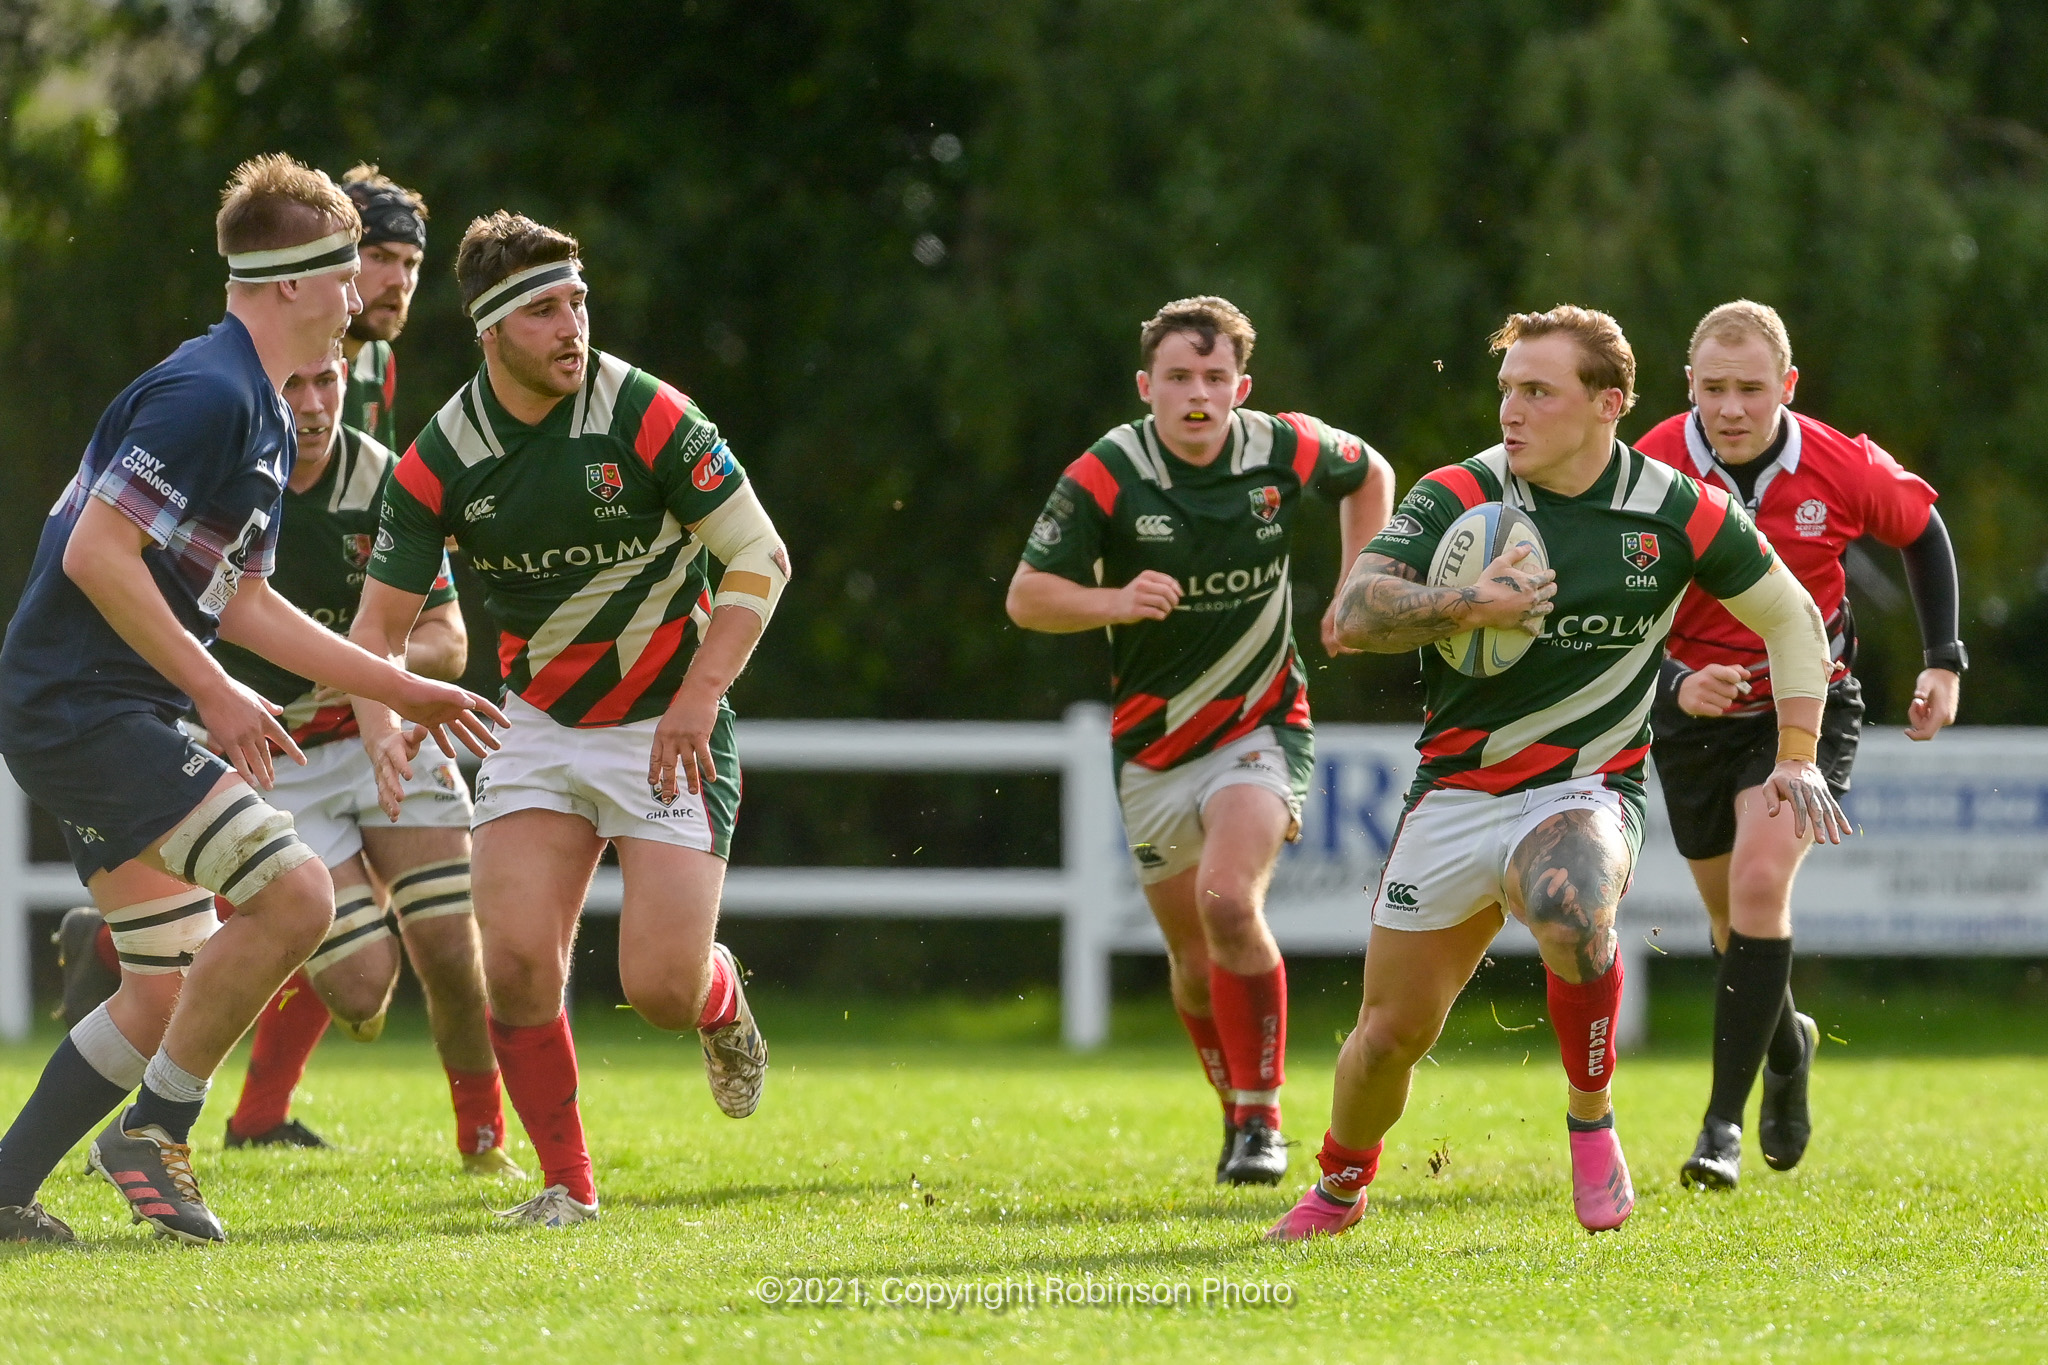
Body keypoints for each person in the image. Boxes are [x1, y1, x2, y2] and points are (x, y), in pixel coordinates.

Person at [1267, 305, 1850, 1241]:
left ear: (1607, 404)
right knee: (1389, 1037)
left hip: (1588, 786)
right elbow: (1356, 614)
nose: (1512, 409)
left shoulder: (1677, 508)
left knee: (1570, 898)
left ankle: (1590, 1116)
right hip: (1455, 793)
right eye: (1507, 389)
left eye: (1538, 391)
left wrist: (1796, 754)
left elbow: (1793, 619)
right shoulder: (1459, 491)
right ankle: (1340, 1183)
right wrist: (1470, 602)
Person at [0, 154, 500, 1245]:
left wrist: (402, 686)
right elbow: (96, 554)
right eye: (347, 268)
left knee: (163, 990)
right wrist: (216, 690)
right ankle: (156, 1131)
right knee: (299, 895)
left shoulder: (260, 407)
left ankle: (2, 1191)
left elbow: (249, 604)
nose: (363, 291)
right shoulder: (210, 394)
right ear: (293, 283)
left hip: (95, 708)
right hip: (85, 708)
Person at [350, 211, 791, 1228]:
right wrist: (382, 722)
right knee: (510, 963)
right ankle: (568, 1186)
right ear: (490, 330)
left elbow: (760, 558)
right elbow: (376, 630)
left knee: (661, 988)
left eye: (578, 302)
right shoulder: (441, 456)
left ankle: (720, 999)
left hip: (668, 720)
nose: (572, 326)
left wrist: (699, 697)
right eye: (544, 310)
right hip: (538, 726)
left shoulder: (647, 413)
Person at [1007, 296, 1394, 1185]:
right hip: (1151, 747)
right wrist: (1113, 600)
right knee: (1190, 962)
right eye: (1179, 376)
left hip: (1262, 724)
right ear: (1146, 386)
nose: (1198, 394)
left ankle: (1262, 1120)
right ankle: (1236, 1111)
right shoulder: (1109, 471)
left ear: (1241, 388)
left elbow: (1370, 472)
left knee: (1227, 902)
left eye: (1216, 377)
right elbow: (1027, 597)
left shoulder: (1280, 446)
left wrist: (1358, 585)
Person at [1635, 300, 1963, 1189]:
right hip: (1692, 713)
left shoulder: (1838, 463)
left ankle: (1720, 1126)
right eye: (1713, 388)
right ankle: (1788, 1045)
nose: (1730, 407)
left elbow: (1923, 530)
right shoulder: (1648, 467)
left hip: (1808, 705)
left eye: (1751, 388)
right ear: (1688, 385)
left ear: (1787, 385)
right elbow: (1616, 611)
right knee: (1728, 923)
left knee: (1758, 883)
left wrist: (1944, 660)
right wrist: (1674, 682)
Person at [197, 345, 517, 1177]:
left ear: (348, 381)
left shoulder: (389, 482)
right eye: (292, 384)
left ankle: (484, 1140)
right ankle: (154, 943)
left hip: (391, 739)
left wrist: (376, 680)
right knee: (364, 994)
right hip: (280, 755)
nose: (311, 405)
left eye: (326, 381)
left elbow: (447, 636)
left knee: (453, 947)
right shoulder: (223, 478)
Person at [338, 165, 427, 450]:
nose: (400, 281)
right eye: (379, 257)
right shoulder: (288, 355)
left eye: (410, 264)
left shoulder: (379, 358)